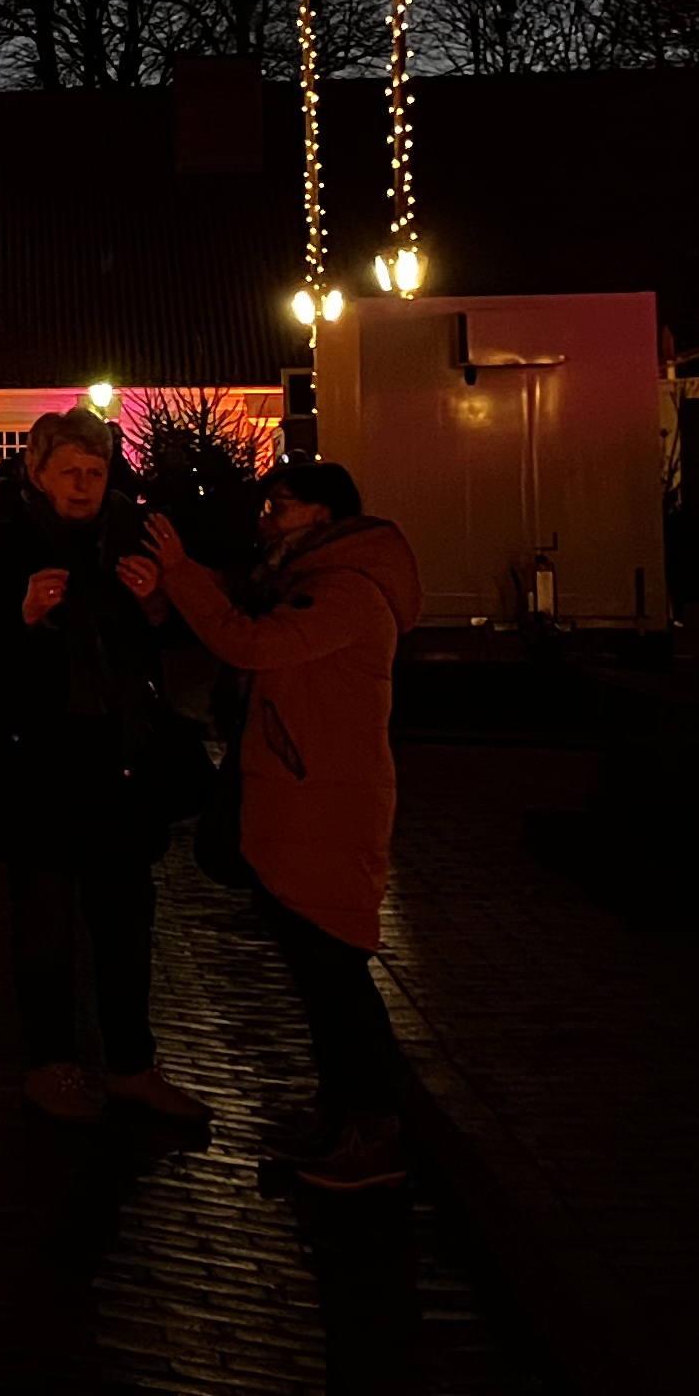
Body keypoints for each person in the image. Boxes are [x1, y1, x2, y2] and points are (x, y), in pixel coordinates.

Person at [147, 459, 423, 1191]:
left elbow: (252, 643)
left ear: (325, 518)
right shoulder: (303, 579)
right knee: (318, 975)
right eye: (267, 506)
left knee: (336, 975)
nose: (266, 518)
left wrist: (180, 573)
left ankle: (374, 1130)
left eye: (283, 507)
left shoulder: (347, 592)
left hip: (325, 804)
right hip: (299, 798)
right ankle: (341, 1114)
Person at [0, 407, 209, 1125]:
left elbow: (172, 640)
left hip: (116, 766)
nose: (85, 485)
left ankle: (131, 1064)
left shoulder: (128, 536)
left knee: (126, 923)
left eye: (95, 472)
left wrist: (158, 604)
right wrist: (20, 618)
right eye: (71, 472)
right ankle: (52, 1065)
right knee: (46, 925)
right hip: (34, 769)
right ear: (39, 473)